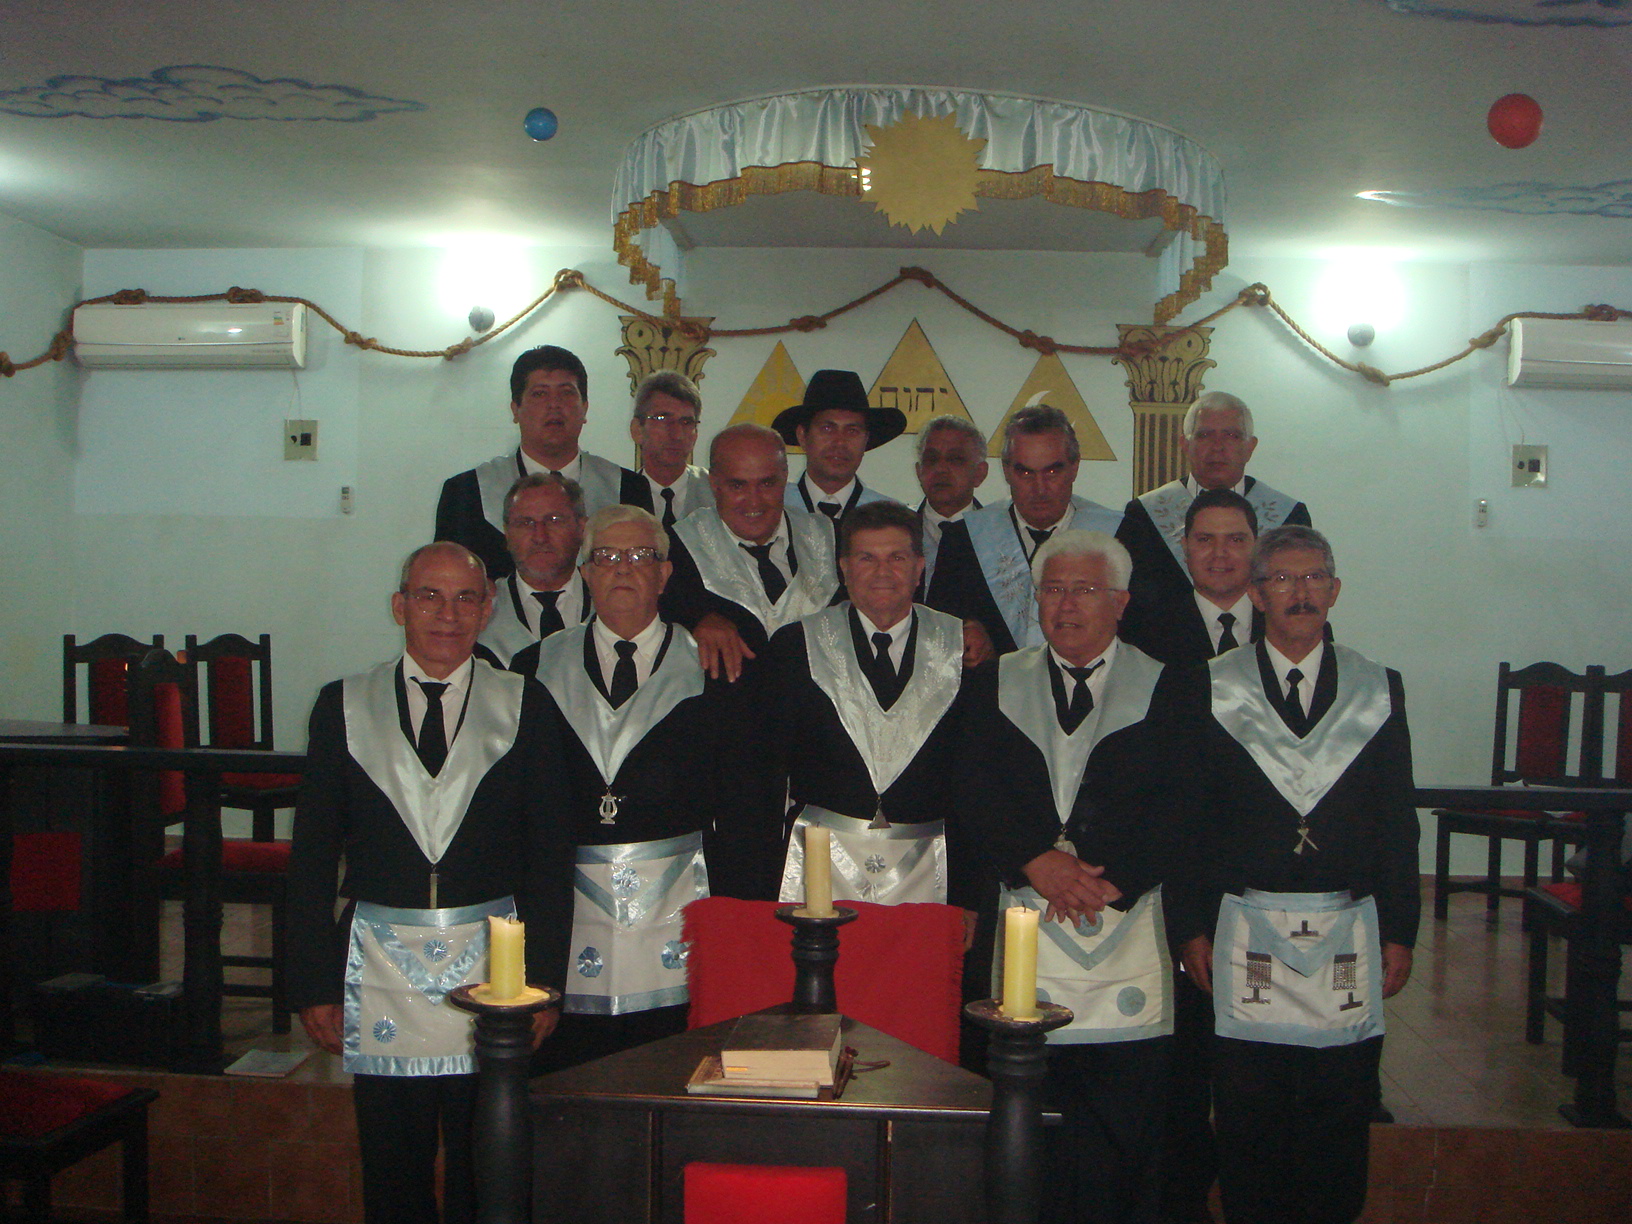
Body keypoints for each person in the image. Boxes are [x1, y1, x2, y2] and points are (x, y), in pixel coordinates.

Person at [287, 542, 573, 1224]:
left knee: (487, 1161)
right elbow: (312, 857)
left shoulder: (524, 704)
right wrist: (314, 982)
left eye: (466, 598)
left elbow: (549, 857)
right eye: (429, 597)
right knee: (393, 1165)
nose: (448, 614)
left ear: (487, 608)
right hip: (380, 967)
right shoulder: (343, 705)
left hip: (493, 968)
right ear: (400, 607)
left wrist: (544, 980)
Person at [1168, 525, 1418, 1224]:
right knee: (1248, 1111)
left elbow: (1397, 820)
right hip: (1244, 929)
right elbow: (1185, 819)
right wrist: (1188, 925)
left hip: (1346, 928)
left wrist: (1402, 928)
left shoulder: (1376, 688)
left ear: (1335, 591)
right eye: (1281, 579)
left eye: (1313, 579)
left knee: (1340, 1105)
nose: (1299, 593)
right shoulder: (1212, 686)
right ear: (1256, 594)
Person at [958, 530, 1179, 1224]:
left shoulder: (1171, 685)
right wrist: (1034, 859)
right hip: (1023, 910)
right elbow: (970, 788)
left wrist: (1114, 881)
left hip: (1128, 919)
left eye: (1085, 590)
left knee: (1125, 1114)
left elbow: (1189, 800)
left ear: (1121, 601)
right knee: (1027, 1107)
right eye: (1052, 590)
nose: (1066, 605)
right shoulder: (995, 681)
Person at [517, 506, 773, 1066]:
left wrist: (740, 927)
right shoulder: (533, 668)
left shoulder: (717, 667)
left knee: (674, 1069)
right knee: (573, 1082)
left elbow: (746, 808)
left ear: (665, 574)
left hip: (682, 914)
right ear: (584, 573)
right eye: (606, 556)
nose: (623, 567)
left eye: (640, 555)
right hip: (567, 917)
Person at [766, 500, 976, 915]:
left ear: (919, 568)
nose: (883, 572)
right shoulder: (795, 646)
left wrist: (969, 897)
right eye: (867, 558)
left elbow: (974, 785)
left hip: (932, 867)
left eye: (897, 558)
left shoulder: (961, 649)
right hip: (818, 864)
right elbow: (765, 773)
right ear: (844, 569)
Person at [926, 404, 1121, 656]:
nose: (1040, 488)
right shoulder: (963, 541)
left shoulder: (1120, 536)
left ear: (1075, 467)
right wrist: (964, 636)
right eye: (1026, 472)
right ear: (1006, 471)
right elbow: (936, 635)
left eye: (1052, 471)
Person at [1118, 392, 1309, 643]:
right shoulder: (1143, 515)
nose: (1218, 447)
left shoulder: (1288, 516)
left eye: (1231, 435)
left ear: (1250, 447)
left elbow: (1300, 599)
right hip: (1166, 654)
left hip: (1263, 653)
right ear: (1184, 444)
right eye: (1205, 435)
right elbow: (1133, 607)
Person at [660, 423, 843, 683]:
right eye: (738, 486)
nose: (754, 500)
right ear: (714, 483)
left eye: (767, 483)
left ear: (785, 476)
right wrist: (694, 620)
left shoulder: (836, 541)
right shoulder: (673, 551)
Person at [435, 345, 630, 580]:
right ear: (515, 409)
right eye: (539, 393)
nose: (554, 404)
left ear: (585, 408)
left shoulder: (627, 488)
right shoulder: (466, 493)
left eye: (566, 392)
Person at [1122, 488, 1262, 668]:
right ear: (1185, 548)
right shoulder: (1142, 634)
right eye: (1205, 539)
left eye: (1235, 540)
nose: (1219, 553)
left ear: (1257, 547)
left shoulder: (1284, 622)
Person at [475, 473, 591, 667]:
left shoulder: (608, 603)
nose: (540, 537)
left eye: (554, 520)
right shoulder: (482, 610)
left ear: (581, 528)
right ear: (507, 533)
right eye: (525, 523)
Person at [772, 368, 904, 525]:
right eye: (827, 429)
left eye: (852, 431)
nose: (840, 442)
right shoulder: (772, 508)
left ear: (866, 440)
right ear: (802, 436)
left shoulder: (891, 519)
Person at [618, 371, 711, 529]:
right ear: (637, 430)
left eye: (686, 422)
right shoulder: (617, 496)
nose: (677, 434)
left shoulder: (717, 493)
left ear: (695, 434)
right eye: (663, 419)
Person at [913, 414, 988, 592]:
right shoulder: (898, 533)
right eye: (931, 459)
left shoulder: (1002, 536)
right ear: (919, 471)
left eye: (955, 459)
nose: (940, 469)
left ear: (980, 473)